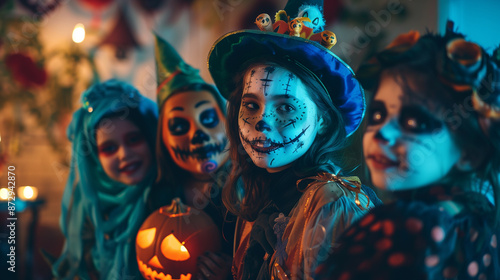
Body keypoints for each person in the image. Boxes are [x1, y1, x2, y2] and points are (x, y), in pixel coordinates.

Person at [207, 2, 378, 279]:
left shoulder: (333, 206)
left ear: (322, 120)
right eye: (251, 105)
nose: (262, 122)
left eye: (285, 107)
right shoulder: (254, 198)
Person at [315, 28, 500, 279]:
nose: (382, 133)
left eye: (414, 122)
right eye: (379, 115)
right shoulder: (479, 220)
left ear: (470, 153)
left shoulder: (405, 226)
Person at [52, 80, 158, 279]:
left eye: (134, 139)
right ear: (95, 158)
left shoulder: (173, 195)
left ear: (150, 137)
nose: (124, 154)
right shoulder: (88, 206)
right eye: (109, 148)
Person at [149, 35, 233, 280]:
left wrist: (237, 271)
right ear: (163, 140)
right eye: (178, 126)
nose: (198, 135)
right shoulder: (160, 196)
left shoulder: (252, 189)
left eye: (208, 119)